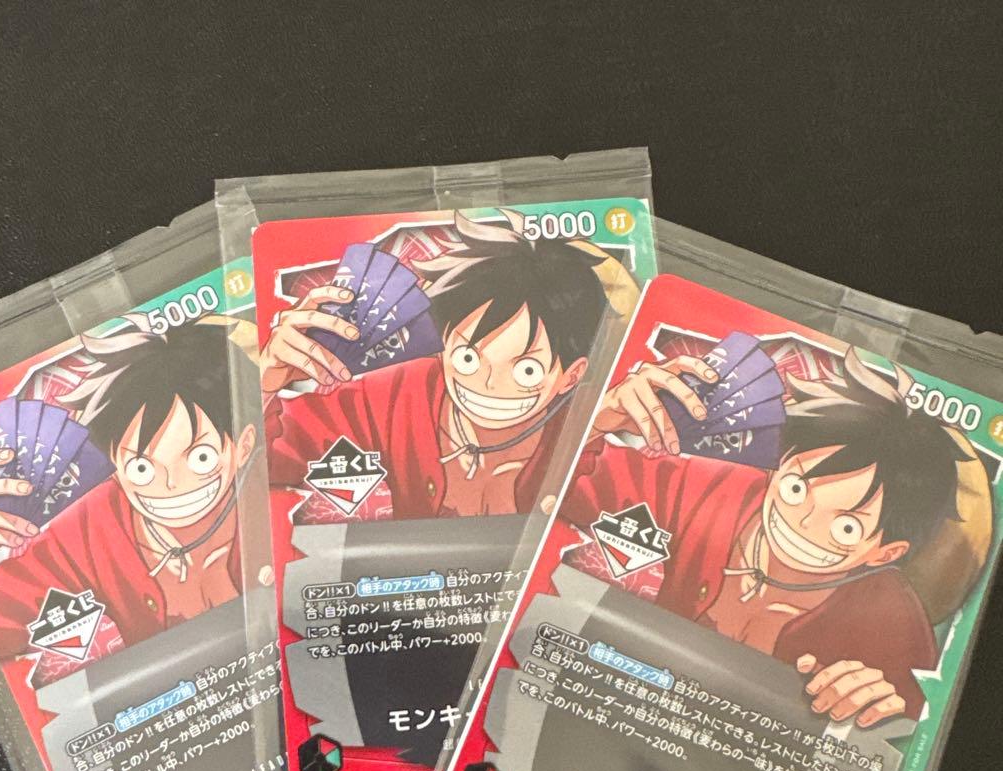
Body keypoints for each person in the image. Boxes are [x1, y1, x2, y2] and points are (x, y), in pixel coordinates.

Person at [564, 348, 971, 725]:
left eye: (846, 528)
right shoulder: (714, 490)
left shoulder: (892, 625)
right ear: (779, 465)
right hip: (622, 709)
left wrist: (878, 708)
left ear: (884, 552)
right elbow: (570, 488)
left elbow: (910, 729)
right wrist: (598, 418)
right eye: (796, 488)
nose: (801, 521)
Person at [259, 209, 614, 518]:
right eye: (468, 358)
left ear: (571, 376)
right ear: (443, 344)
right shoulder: (394, 395)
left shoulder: (586, 431)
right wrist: (266, 381)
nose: (488, 384)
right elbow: (264, 460)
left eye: (527, 371)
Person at [0, 319, 257, 659]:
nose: (171, 484)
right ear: (113, 464)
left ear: (243, 446)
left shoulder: (268, 493)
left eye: (201, 458)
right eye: (142, 467)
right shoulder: (87, 528)